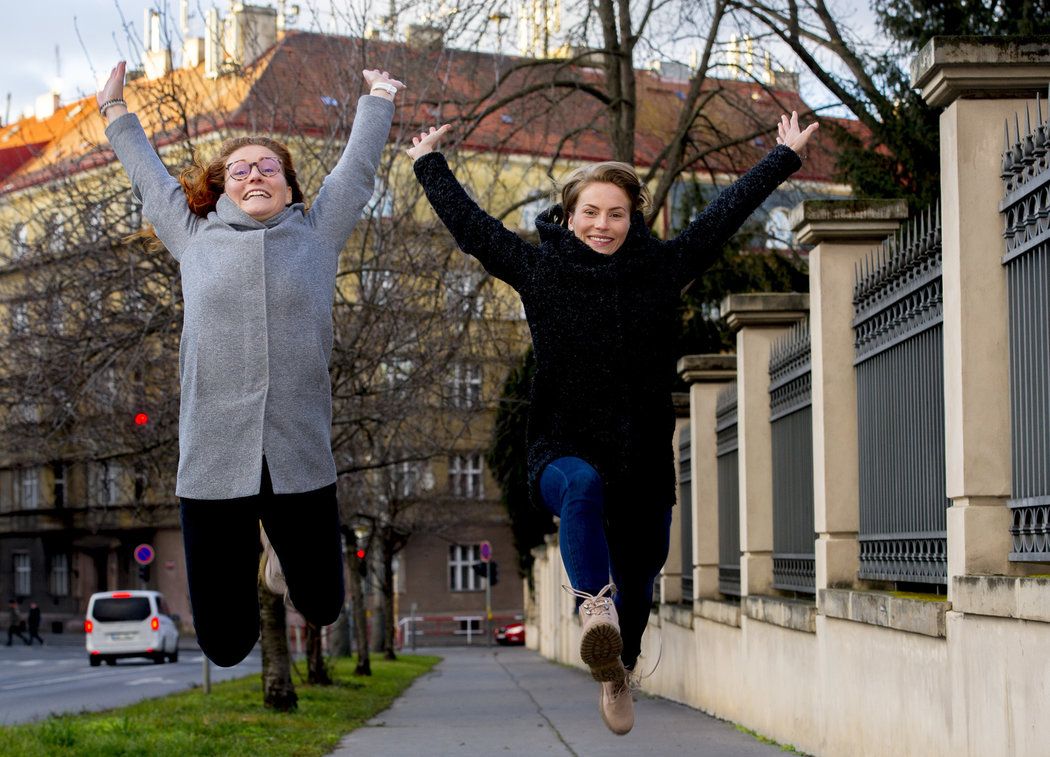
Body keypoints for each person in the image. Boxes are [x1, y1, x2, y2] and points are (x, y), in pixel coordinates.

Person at [407, 112, 817, 735]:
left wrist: (782, 157)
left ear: (634, 218)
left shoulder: (661, 269)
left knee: (642, 578)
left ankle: (616, 664)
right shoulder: (540, 269)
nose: (603, 225)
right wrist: (429, 164)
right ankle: (592, 606)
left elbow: (722, 218)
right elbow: (474, 231)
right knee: (581, 488)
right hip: (560, 447)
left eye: (617, 214)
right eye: (591, 213)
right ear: (569, 216)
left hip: (644, 461)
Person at [97, 61, 403, 667]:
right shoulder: (194, 237)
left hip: (299, 453)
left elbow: (357, 171)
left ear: (289, 187)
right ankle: (267, 554)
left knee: (323, 606)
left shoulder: (316, 235)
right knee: (227, 644)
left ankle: (281, 557)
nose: (255, 174)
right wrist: (114, 111)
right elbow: (150, 180)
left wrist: (379, 98)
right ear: (224, 188)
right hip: (213, 457)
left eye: (269, 167)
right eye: (241, 169)